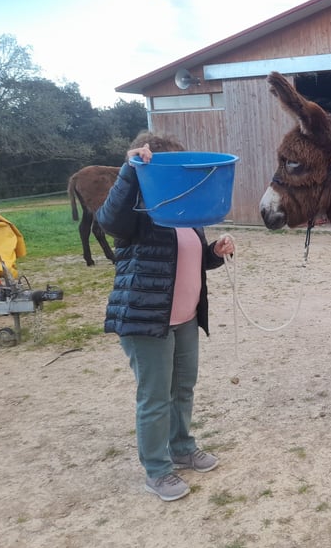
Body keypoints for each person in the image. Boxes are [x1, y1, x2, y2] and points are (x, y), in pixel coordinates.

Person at [96, 132, 235, 501]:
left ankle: (182, 448)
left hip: (185, 317)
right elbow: (108, 221)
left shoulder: (186, 210)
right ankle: (157, 470)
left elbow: (191, 259)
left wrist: (215, 252)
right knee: (155, 397)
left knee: (182, 388)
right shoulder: (137, 209)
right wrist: (129, 170)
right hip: (147, 320)